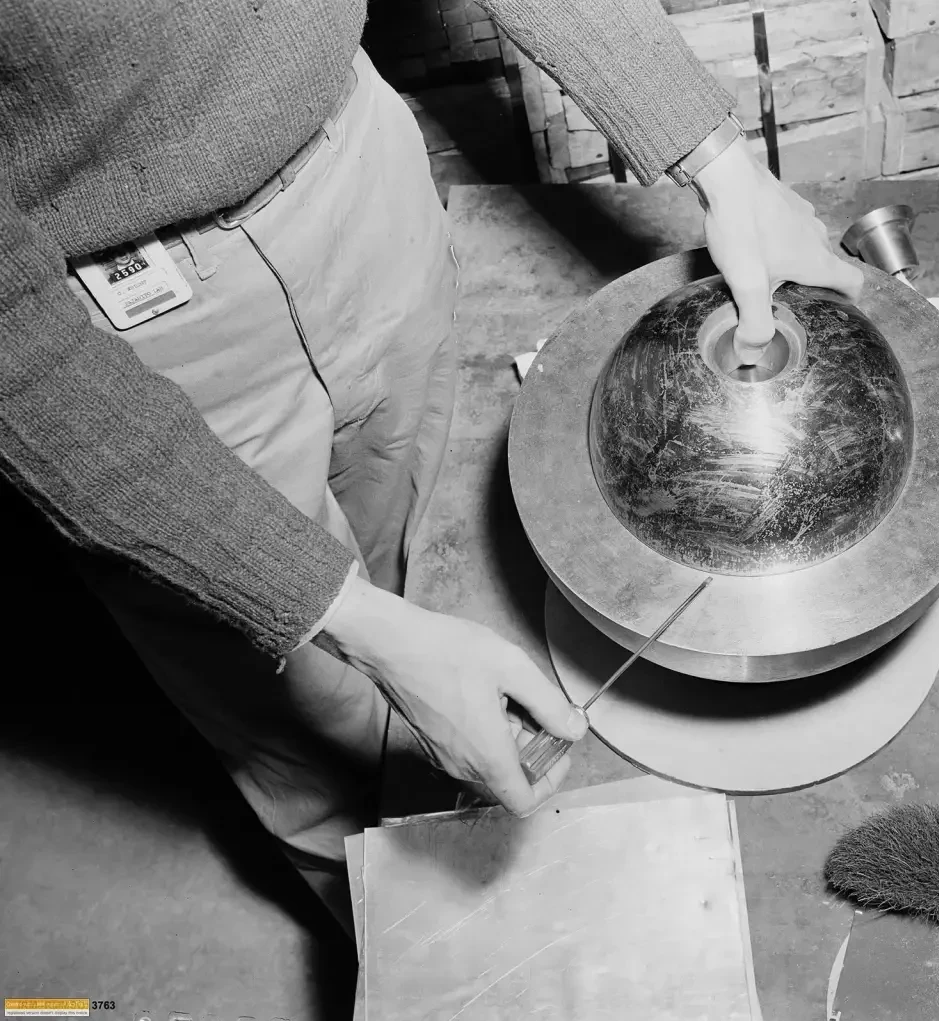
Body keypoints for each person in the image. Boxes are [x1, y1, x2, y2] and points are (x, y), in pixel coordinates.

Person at [0, 0, 863, 935]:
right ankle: (409, 939)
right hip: (122, 319)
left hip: (359, 162)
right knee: (311, 722)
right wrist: (353, 625)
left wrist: (719, 160)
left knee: (410, 558)